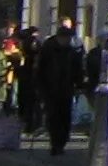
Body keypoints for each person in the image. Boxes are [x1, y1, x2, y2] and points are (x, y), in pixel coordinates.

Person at [36, 14, 84, 156]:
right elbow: (40, 69)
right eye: (65, 38)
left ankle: (61, 142)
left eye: (68, 38)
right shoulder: (48, 47)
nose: (67, 40)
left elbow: (78, 68)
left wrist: (79, 83)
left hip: (67, 88)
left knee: (65, 116)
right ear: (59, 37)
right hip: (50, 88)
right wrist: (40, 88)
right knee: (53, 116)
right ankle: (55, 143)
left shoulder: (73, 49)